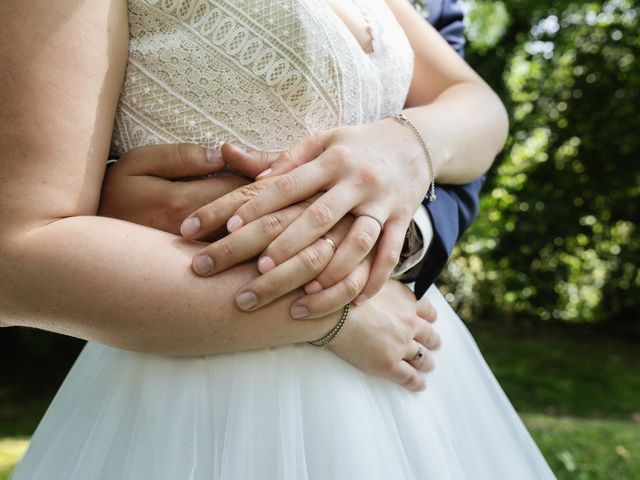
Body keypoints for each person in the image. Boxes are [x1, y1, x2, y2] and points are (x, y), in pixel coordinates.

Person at [1, 0, 555, 478]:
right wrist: (329, 312)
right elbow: (15, 254)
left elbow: (477, 103)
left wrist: (407, 147)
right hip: (200, 396)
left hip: (415, 365)